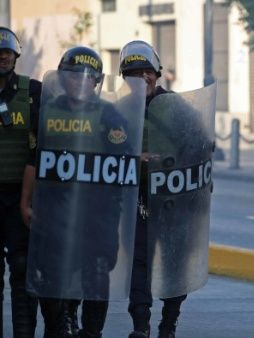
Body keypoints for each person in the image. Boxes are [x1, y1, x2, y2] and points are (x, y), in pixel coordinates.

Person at [21, 46, 132, 338]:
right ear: (62, 78)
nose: (80, 81)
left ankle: (91, 332)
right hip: (54, 212)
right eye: (73, 75)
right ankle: (60, 325)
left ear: (96, 81)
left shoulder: (109, 116)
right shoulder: (47, 112)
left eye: (87, 77)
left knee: (96, 274)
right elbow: (33, 159)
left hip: (97, 214)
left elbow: (124, 164)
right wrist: (26, 201)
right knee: (53, 277)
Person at [119, 40, 187, 338]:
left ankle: (169, 322)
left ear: (157, 74)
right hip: (136, 201)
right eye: (134, 73)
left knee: (174, 266)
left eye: (147, 71)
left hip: (172, 200)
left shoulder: (175, 106)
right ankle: (141, 326)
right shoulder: (118, 111)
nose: (142, 77)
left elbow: (199, 144)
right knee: (139, 266)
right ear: (125, 78)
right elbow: (104, 151)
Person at [0, 25, 40, 338]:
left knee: (23, 271)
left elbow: (47, 143)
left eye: (7, 52)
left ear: (15, 56)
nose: (2, 57)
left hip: (20, 199)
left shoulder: (34, 92)